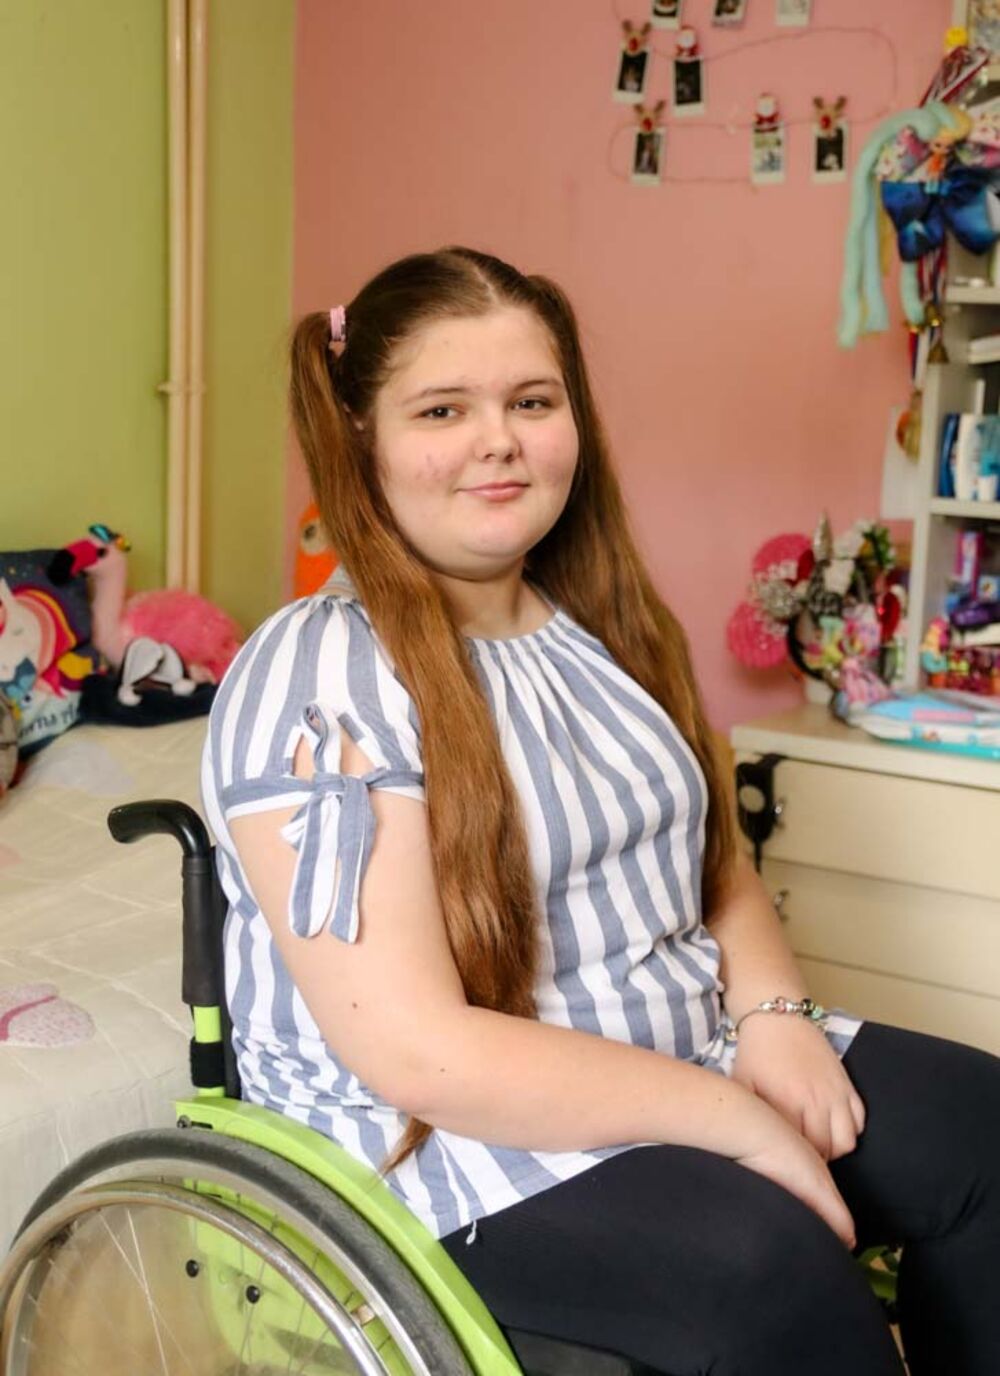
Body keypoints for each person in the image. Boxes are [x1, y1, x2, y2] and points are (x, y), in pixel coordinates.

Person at [202, 246, 1000, 1375]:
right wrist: (737, 1120)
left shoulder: (598, 625)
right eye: (443, 409)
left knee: (984, 1129)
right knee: (772, 1270)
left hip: (680, 1046)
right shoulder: (324, 671)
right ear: (359, 434)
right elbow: (418, 1054)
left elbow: (713, 862)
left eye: (532, 401)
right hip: (440, 1142)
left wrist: (775, 1014)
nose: (499, 440)